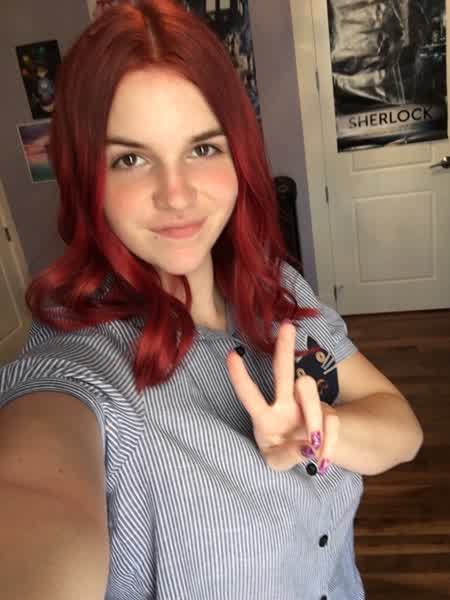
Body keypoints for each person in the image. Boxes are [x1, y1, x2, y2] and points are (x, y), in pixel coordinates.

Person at [0, 1, 423, 599]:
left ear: (237, 154)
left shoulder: (276, 287)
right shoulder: (79, 367)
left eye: (202, 149)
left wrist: (320, 432)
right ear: (86, 179)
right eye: (130, 159)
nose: (176, 194)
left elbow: (402, 428)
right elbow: (35, 494)